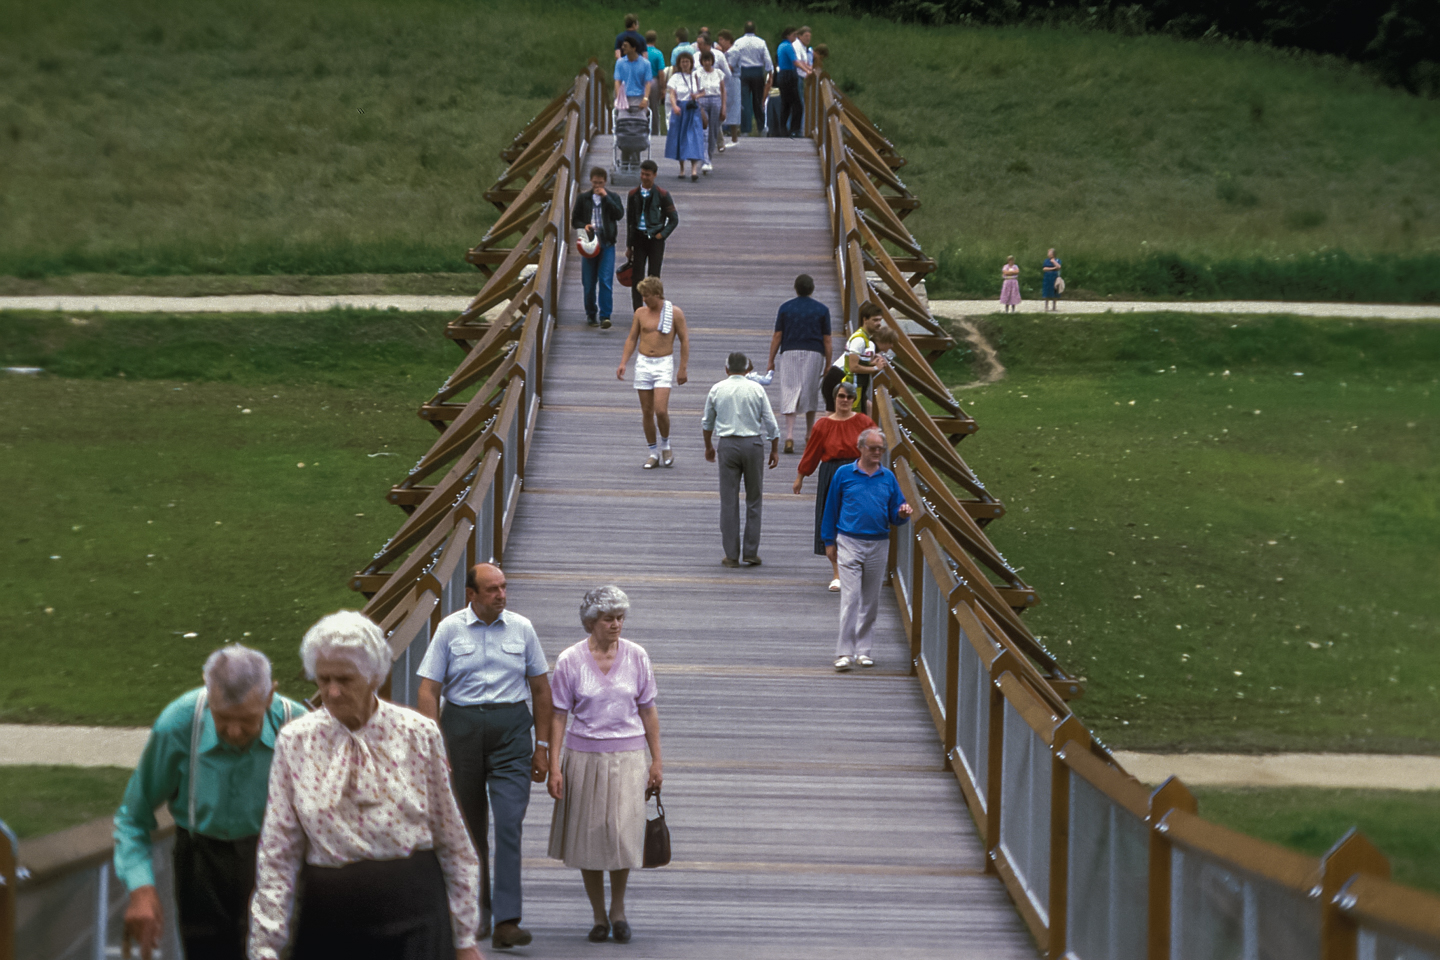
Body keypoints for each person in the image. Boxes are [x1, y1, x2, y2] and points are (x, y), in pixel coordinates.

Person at [248, 612, 482, 960]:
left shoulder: (418, 734)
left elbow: (453, 840)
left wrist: (465, 939)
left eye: (345, 678)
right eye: (323, 679)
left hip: (416, 917)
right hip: (330, 923)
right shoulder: (295, 741)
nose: (332, 691)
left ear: (373, 677)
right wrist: (265, 946)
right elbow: (277, 852)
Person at [114, 645, 305, 960]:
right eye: (222, 717)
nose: (233, 730)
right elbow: (133, 817)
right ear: (209, 694)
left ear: (270, 696)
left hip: (275, 860)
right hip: (200, 864)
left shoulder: (297, 727)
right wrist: (141, 889)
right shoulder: (178, 725)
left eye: (246, 719)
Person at [416, 563, 555, 950]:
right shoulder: (449, 629)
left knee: (509, 820)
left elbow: (542, 690)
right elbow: (429, 690)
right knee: (467, 825)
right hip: (461, 728)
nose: (501, 595)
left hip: (511, 729)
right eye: (492, 589)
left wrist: (541, 747)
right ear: (472, 595)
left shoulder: (522, 628)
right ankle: (474, 913)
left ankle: (508, 919)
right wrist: (435, 743)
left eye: (504, 588)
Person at [546, 586, 663, 945]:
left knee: (622, 833)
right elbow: (558, 715)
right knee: (590, 835)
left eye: (620, 618)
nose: (616, 625)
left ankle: (619, 910)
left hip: (628, 757)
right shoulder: (569, 660)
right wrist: (554, 766)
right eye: (609, 618)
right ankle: (598, 915)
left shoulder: (637, 656)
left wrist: (656, 759)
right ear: (592, 622)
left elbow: (647, 709)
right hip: (583, 757)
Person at [821, 428, 913, 671]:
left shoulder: (888, 478)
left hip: (879, 543)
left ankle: (863, 650)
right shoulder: (843, 474)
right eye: (872, 448)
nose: (877, 453)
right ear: (860, 448)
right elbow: (830, 507)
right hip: (849, 541)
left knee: (870, 600)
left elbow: (897, 512)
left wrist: (903, 514)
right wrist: (828, 541)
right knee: (850, 598)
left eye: (880, 449)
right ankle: (844, 653)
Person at [793, 382, 875, 592]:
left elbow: (875, 446)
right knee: (832, 519)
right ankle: (837, 573)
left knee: (858, 517)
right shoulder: (823, 425)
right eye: (841, 396)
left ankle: (856, 567)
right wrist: (801, 476)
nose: (845, 400)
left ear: (854, 400)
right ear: (834, 398)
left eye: (849, 397)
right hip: (831, 473)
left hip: (857, 471)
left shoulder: (864, 422)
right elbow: (812, 452)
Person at [702, 350, 780, 567]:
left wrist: (709, 446)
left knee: (729, 501)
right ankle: (751, 551)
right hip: (753, 444)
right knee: (754, 499)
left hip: (727, 445)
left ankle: (731, 554)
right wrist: (774, 447)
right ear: (748, 369)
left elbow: (707, 422)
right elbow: (770, 422)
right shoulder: (756, 389)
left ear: (726, 369)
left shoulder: (717, 389)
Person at [617, 275, 690, 468]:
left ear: (657, 294)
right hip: (644, 363)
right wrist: (624, 362)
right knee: (647, 411)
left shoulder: (674, 313)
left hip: (664, 363)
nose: (644, 299)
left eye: (647, 295)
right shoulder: (640, 313)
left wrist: (682, 367)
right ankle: (652, 452)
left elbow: (684, 340)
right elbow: (632, 338)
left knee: (660, 410)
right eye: (642, 295)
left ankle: (666, 444)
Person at [766, 273, 832, 454]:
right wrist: (828, 363)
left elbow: (777, 335)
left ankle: (789, 435)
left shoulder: (785, 308)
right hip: (814, 352)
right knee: (810, 390)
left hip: (790, 351)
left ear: (796, 289)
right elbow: (827, 339)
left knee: (790, 389)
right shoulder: (822, 310)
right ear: (812, 289)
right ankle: (809, 434)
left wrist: (771, 360)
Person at [572, 166, 624, 328]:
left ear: (605, 182)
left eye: (600, 183)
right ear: (590, 181)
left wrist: (606, 197)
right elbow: (575, 221)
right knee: (588, 282)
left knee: (605, 280)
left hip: (607, 241)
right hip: (590, 241)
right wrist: (585, 225)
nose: (597, 186)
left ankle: (605, 316)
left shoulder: (612, 197)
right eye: (595, 183)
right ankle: (590, 313)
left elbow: (619, 215)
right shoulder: (583, 198)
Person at [624, 160, 679, 309]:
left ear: (654, 175)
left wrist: (662, 234)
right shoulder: (633, 194)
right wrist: (629, 245)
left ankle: (654, 308)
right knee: (637, 276)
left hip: (655, 239)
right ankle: (638, 310)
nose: (644, 177)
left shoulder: (662, 194)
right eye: (642, 174)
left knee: (654, 276)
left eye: (648, 175)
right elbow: (629, 221)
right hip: (638, 239)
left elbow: (674, 219)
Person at [820, 302, 892, 413]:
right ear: (865, 320)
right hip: (838, 378)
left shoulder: (866, 340)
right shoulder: (859, 340)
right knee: (837, 418)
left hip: (845, 379)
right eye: (875, 320)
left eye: (880, 320)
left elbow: (859, 361)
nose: (878, 324)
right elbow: (853, 367)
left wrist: (872, 361)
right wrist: (875, 368)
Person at [664, 51, 707, 181]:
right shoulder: (675, 77)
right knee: (680, 137)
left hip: (692, 109)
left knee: (694, 137)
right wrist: (674, 106)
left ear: (691, 63)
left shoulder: (696, 76)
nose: (685, 64)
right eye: (682, 62)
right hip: (680, 109)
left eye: (687, 62)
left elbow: (703, 92)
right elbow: (672, 94)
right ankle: (682, 168)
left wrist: (697, 96)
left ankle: (694, 170)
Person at [728, 21, 773, 136]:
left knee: (744, 101)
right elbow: (767, 59)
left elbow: (734, 57)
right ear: (755, 30)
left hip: (744, 71)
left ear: (744, 30)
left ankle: (745, 129)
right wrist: (769, 72)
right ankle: (761, 127)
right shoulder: (761, 42)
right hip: (757, 71)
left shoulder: (738, 42)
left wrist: (731, 67)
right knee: (758, 100)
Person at [695, 50, 727, 174]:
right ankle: (705, 160)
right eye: (704, 60)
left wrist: (723, 107)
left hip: (716, 101)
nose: (707, 63)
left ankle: (709, 157)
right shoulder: (697, 74)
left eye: (708, 60)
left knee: (714, 132)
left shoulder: (719, 73)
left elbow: (723, 91)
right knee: (704, 132)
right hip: (702, 101)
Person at [715, 30, 743, 144]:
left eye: (721, 40)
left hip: (732, 81)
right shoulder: (726, 52)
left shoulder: (733, 51)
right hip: (725, 81)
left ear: (728, 40)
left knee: (733, 108)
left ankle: (734, 137)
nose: (719, 42)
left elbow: (729, 67)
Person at [614, 37, 654, 115]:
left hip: (640, 97)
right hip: (625, 98)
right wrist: (619, 97)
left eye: (625, 46)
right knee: (622, 122)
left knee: (641, 123)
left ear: (633, 48)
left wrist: (645, 99)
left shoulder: (646, 64)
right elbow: (617, 81)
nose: (623, 48)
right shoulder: (620, 63)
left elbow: (648, 82)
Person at [775, 27, 801, 138]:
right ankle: (794, 129)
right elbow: (795, 62)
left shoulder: (781, 45)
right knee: (797, 104)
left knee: (786, 103)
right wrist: (808, 70)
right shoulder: (788, 46)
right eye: (794, 35)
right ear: (788, 35)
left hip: (782, 75)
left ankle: (783, 129)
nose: (795, 37)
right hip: (788, 75)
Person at [644, 30, 667, 134]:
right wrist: (663, 88)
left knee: (643, 107)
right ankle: (655, 132)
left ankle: (643, 130)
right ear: (655, 40)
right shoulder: (658, 53)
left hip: (643, 81)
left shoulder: (641, 52)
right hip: (654, 81)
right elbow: (661, 72)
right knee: (654, 108)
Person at [791, 26, 814, 135]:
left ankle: (798, 128)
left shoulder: (803, 48)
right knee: (798, 103)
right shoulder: (796, 46)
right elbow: (798, 62)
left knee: (799, 103)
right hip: (796, 77)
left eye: (809, 36)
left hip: (800, 77)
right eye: (806, 36)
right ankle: (797, 130)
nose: (808, 38)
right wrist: (809, 70)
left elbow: (805, 62)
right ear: (799, 36)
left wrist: (810, 69)